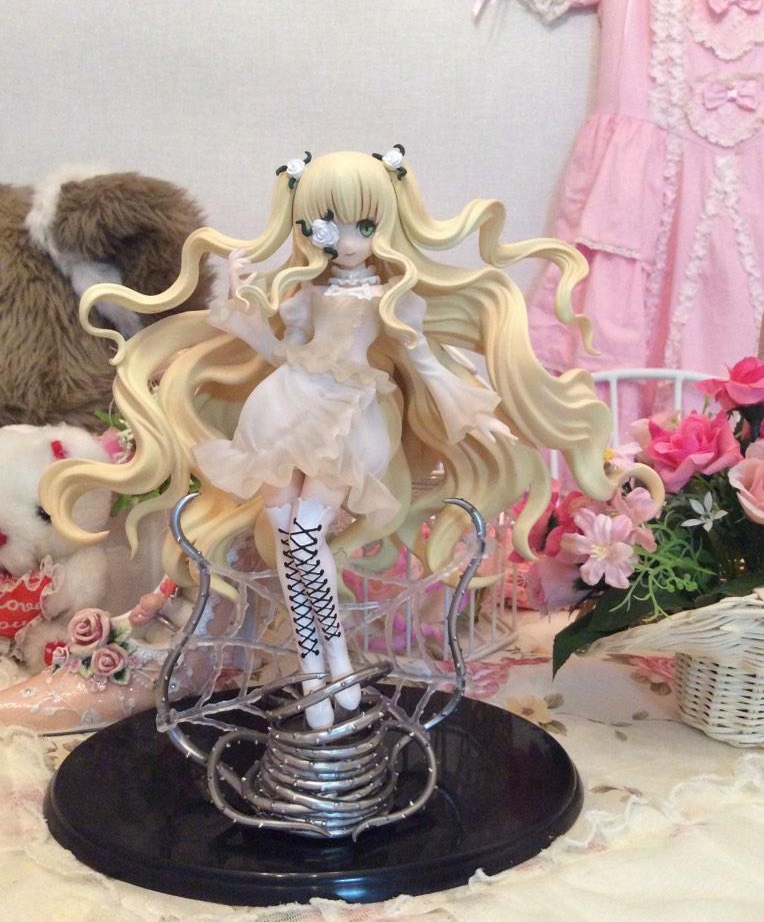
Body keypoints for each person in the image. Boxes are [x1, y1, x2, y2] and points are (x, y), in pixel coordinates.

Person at [42, 148, 660, 727]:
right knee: (291, 541)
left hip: (349, 416)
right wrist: (240, 301)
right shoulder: (307, 293)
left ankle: (333, 659)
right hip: (283, 406)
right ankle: (317, 664)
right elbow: (282, 351)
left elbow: (423, 361)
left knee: (305, 535)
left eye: (362, 224)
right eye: (326, 225)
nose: (344, 239)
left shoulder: (394, 297)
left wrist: (471, 407)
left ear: (386, 222)